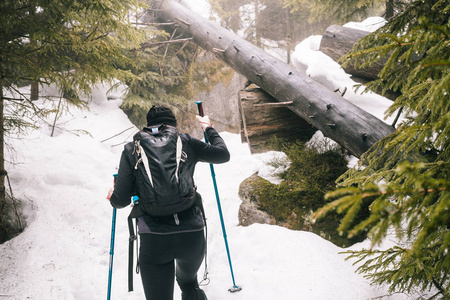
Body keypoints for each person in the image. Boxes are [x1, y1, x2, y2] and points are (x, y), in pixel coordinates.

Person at [107, 105, 230, 300]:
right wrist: (208, 128)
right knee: (189, 284)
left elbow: (120, 201)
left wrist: (113, 194)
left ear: (148, 126)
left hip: (154, 241)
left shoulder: (132, 150)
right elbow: (223, 155)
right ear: (173, 124)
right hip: (192, 236)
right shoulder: (186, 142)